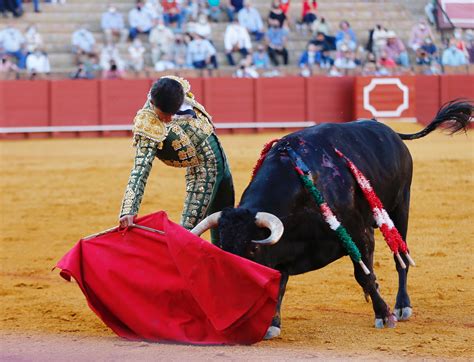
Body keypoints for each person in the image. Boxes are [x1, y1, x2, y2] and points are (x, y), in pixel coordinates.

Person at [118, 76, 235, 243]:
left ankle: (225, 262)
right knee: (187, 235)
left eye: (172, 113)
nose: (168, 119)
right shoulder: (148, 123)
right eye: (164, 114)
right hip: (202, 170)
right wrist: (128, 209)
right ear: (153, 103)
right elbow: (140, 169)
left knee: (225, 222)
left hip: (221, 159)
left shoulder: (175, 88)